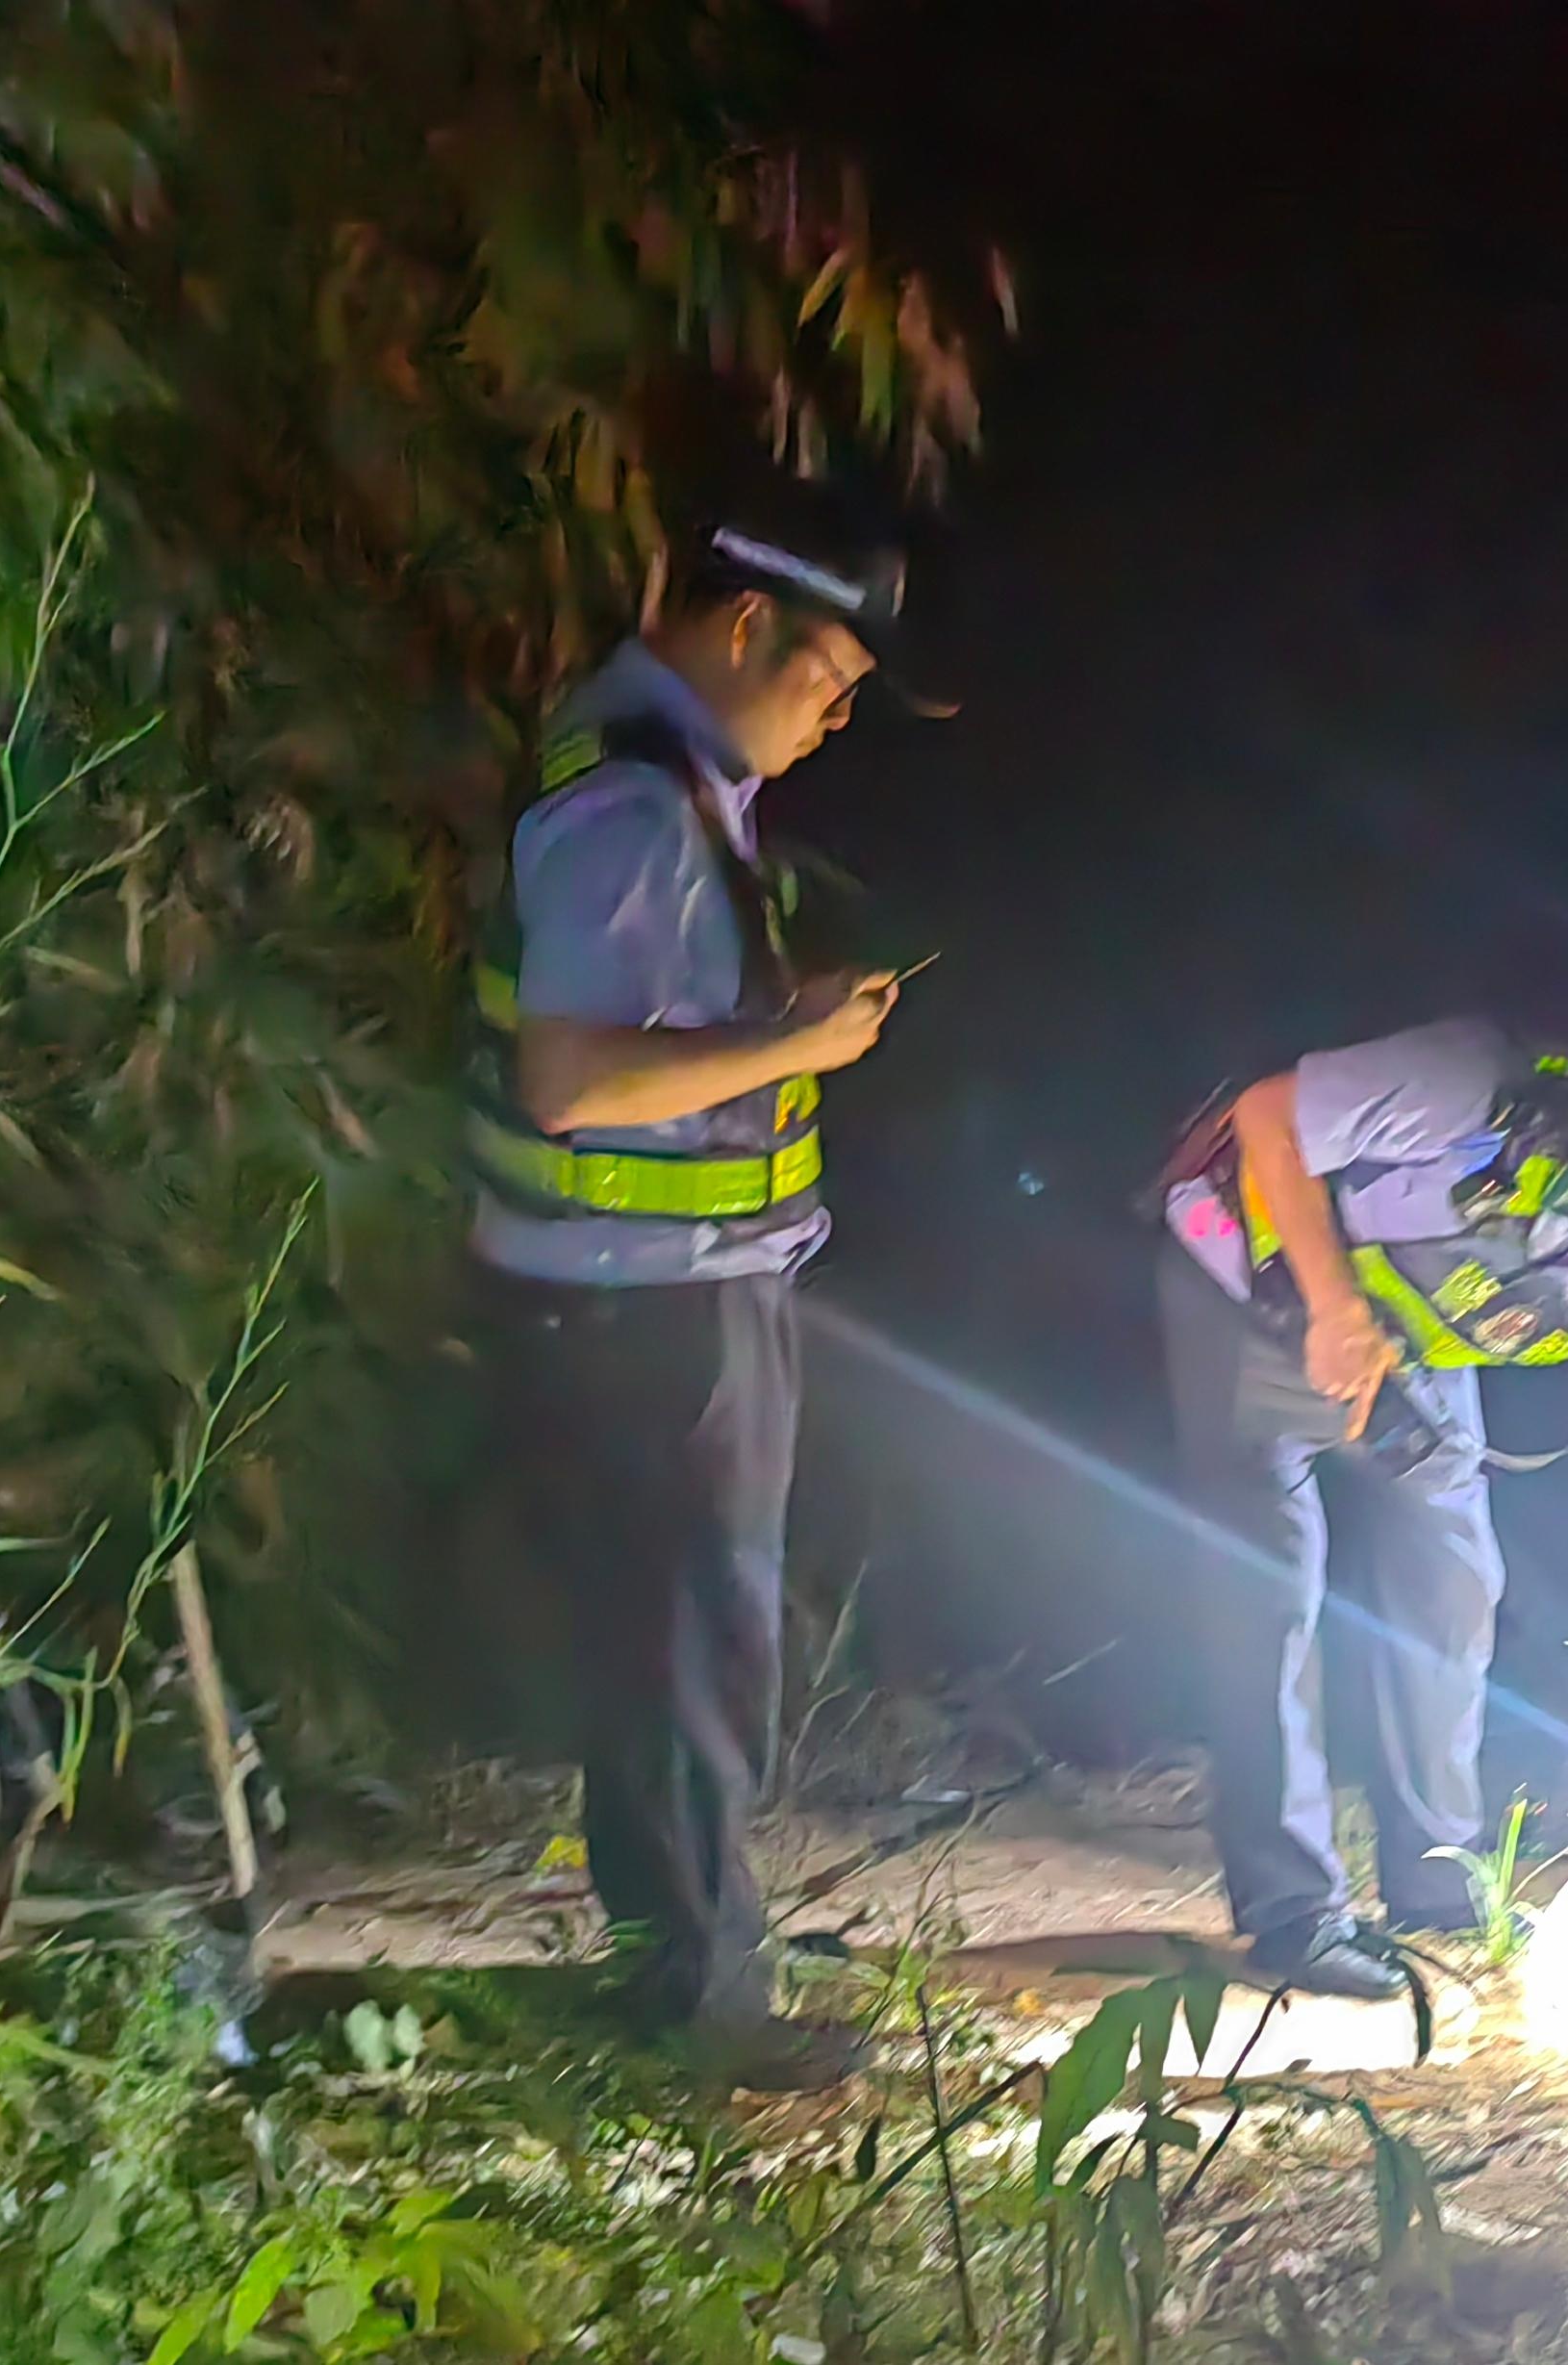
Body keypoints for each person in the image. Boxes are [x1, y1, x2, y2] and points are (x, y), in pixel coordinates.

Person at [466, 478, 939, 2088]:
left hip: (655, 1288)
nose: (835, 719)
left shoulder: (670, 777)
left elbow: (646, 1019)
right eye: (830, 680)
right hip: (651, 1302)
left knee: (674, 1640)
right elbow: (571, 1079)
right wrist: (796, 1044)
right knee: (691, 1645)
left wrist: (774, 1016)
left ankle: (684, 1947)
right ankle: (704, 2004)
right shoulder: (629, 803)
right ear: (748, 626)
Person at [1151, 1019, 1568, 1999]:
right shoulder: (1476, 1087)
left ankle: (1438, 1880)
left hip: (1410, 1339)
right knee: (1270, 1590)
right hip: (1255, 1281)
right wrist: (1333, 1306)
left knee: (1453, 1580)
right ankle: (1293, 1912)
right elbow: (1268, 1115)